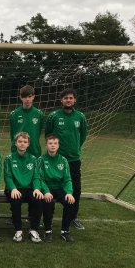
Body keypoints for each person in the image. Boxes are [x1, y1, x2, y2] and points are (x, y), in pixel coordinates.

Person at [45, 88, 87, 230]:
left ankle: (73, 218)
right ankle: (47, 217)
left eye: (70, 98)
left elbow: (83, 135)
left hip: (74, 159)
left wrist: (75, 148)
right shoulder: (54, 116)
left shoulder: (80, 116)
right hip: (56, 159)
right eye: (65, 98)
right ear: (61, 100)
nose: (68, 100)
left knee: (76, 189)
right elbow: (48, 134)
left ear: (75, 100)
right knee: (52, 187)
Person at [33, 134, 75, 242]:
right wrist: (46, 191)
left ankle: (65, 231)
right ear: (46, 145)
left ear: (58, 145)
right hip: (47, 188)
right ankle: (48, 231)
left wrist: (69, 192)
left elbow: (67, 179)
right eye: (50, 143)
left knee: (70, 202)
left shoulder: (63, 160)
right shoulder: (41, 159)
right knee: (48, 202)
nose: (53, 145)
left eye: (55, 143)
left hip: (60, 188)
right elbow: (40, 178)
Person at [4, 131, 43, 243]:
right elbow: (8, 176)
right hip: (14, 188)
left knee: (38, 199)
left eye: (25, 142)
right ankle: (18, 230)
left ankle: (34, 229)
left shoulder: (33, 159)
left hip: (29, 189)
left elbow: (36, 177)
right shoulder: (9, 158)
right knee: (15, 200)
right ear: (15, 143)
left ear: (28, 144)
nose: (22, 144)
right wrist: (13, 189)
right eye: (20, 141)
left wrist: (37, 189)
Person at [9, 85, 44, 157]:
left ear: (33, 97)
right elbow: (12, 134)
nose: (27, 99)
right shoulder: (14, 114)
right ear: (21, 97)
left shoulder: (39, 114)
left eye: (29, 96)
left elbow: (38, 131)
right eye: (24, 97)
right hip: (18, 150)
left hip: (34, 150)